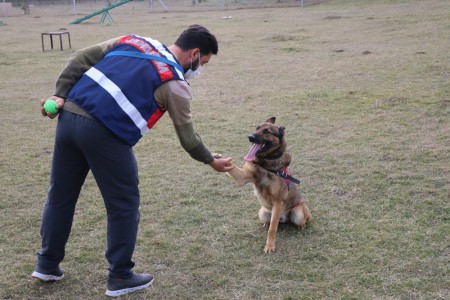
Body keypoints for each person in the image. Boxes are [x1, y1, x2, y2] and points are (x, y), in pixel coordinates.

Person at [31, 24, 233, 297]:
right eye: (203, 62)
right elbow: (189, 139)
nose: (199, 69)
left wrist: (60, 93)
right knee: (124, 206)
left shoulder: (136, 41)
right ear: (195, 53)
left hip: (69, 119)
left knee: (60, 196)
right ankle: (120, 276)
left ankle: (47, 264)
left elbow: (80, 57)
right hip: (106, 135)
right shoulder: (175, 83)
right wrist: (211, 160)